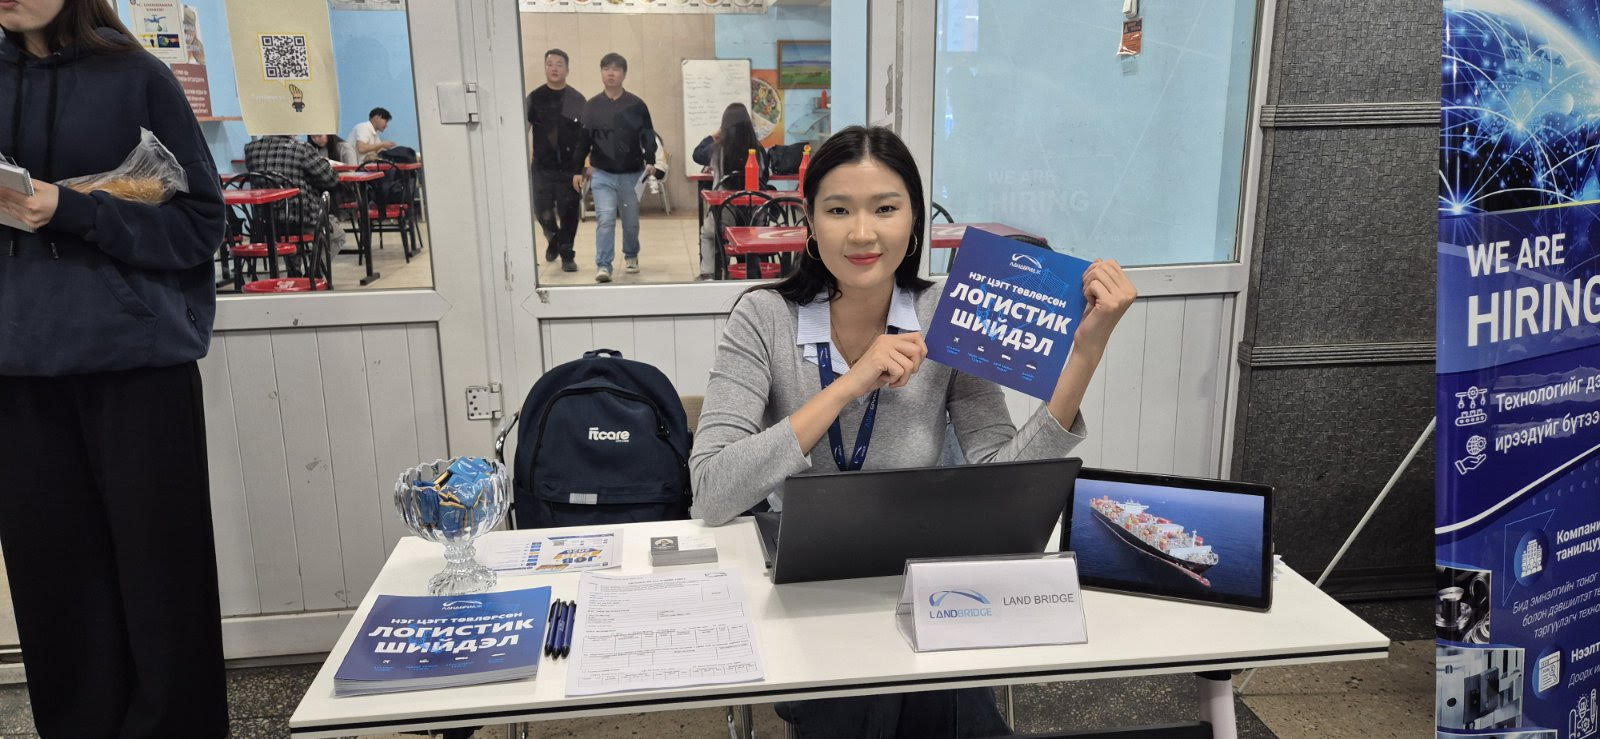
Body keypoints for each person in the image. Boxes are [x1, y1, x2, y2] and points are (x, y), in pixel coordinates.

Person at [688, 126, 1136, 737]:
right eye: (838, 210)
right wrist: (848, 385)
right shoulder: (764, 317)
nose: (862, 233)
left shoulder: (947, 312)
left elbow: (1002, 480)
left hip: (927, 582)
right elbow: (712, 492)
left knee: (948, 707)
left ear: (915, 221)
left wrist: (1084, 353)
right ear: (809, 222)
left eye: (885, 209)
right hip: (811, 587)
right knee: (862, 705)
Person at [0, 0, 228, 736]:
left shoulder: (138, 78)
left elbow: (201, 225)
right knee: (53, 590)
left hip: (137, 367)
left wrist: (72, 209)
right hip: (15, 371)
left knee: (163, 582)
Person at [573, 52, 656, 283]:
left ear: (624, 74)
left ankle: (631, 254)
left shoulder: (636, 105)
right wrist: (577, 170)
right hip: (602, 173)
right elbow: (583, 141)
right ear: (601, 73)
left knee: (631, 222)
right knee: (606, 218)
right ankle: (603, 265)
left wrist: (650, 159)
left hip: (632, 174)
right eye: (606, 69)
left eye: (616, 69)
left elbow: (648, 135)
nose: (611, 73)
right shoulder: (591, 106)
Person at [692, 102, 768, 280]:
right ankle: (751, 269)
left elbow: (696, 154)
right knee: (746, 234)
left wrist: (713, 135)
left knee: (708, 234)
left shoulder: (717, 149)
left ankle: (709, 274)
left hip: (725, 217)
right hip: (755, 219)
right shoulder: (759, 150)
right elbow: (765, 180)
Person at [526, 48, 586, 273]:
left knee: (569, 212)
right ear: (545, 68)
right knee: (541, 209)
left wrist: (584, 165)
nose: (554, 68)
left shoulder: (576, 99)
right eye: (549, 64)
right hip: (541, 166)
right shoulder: (535, 98)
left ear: (567, 70)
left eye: (559, 64)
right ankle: (553, 238)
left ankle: (567, 254)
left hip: (569, 168)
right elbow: (523, 129)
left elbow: (585, 136)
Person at [246, 134, 347, 253]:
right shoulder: (302, 149)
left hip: (264, 221)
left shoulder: (250, 149)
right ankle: (317, 265)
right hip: (300, 220)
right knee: (338, 236)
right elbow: (330, 179)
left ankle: (294, 263)